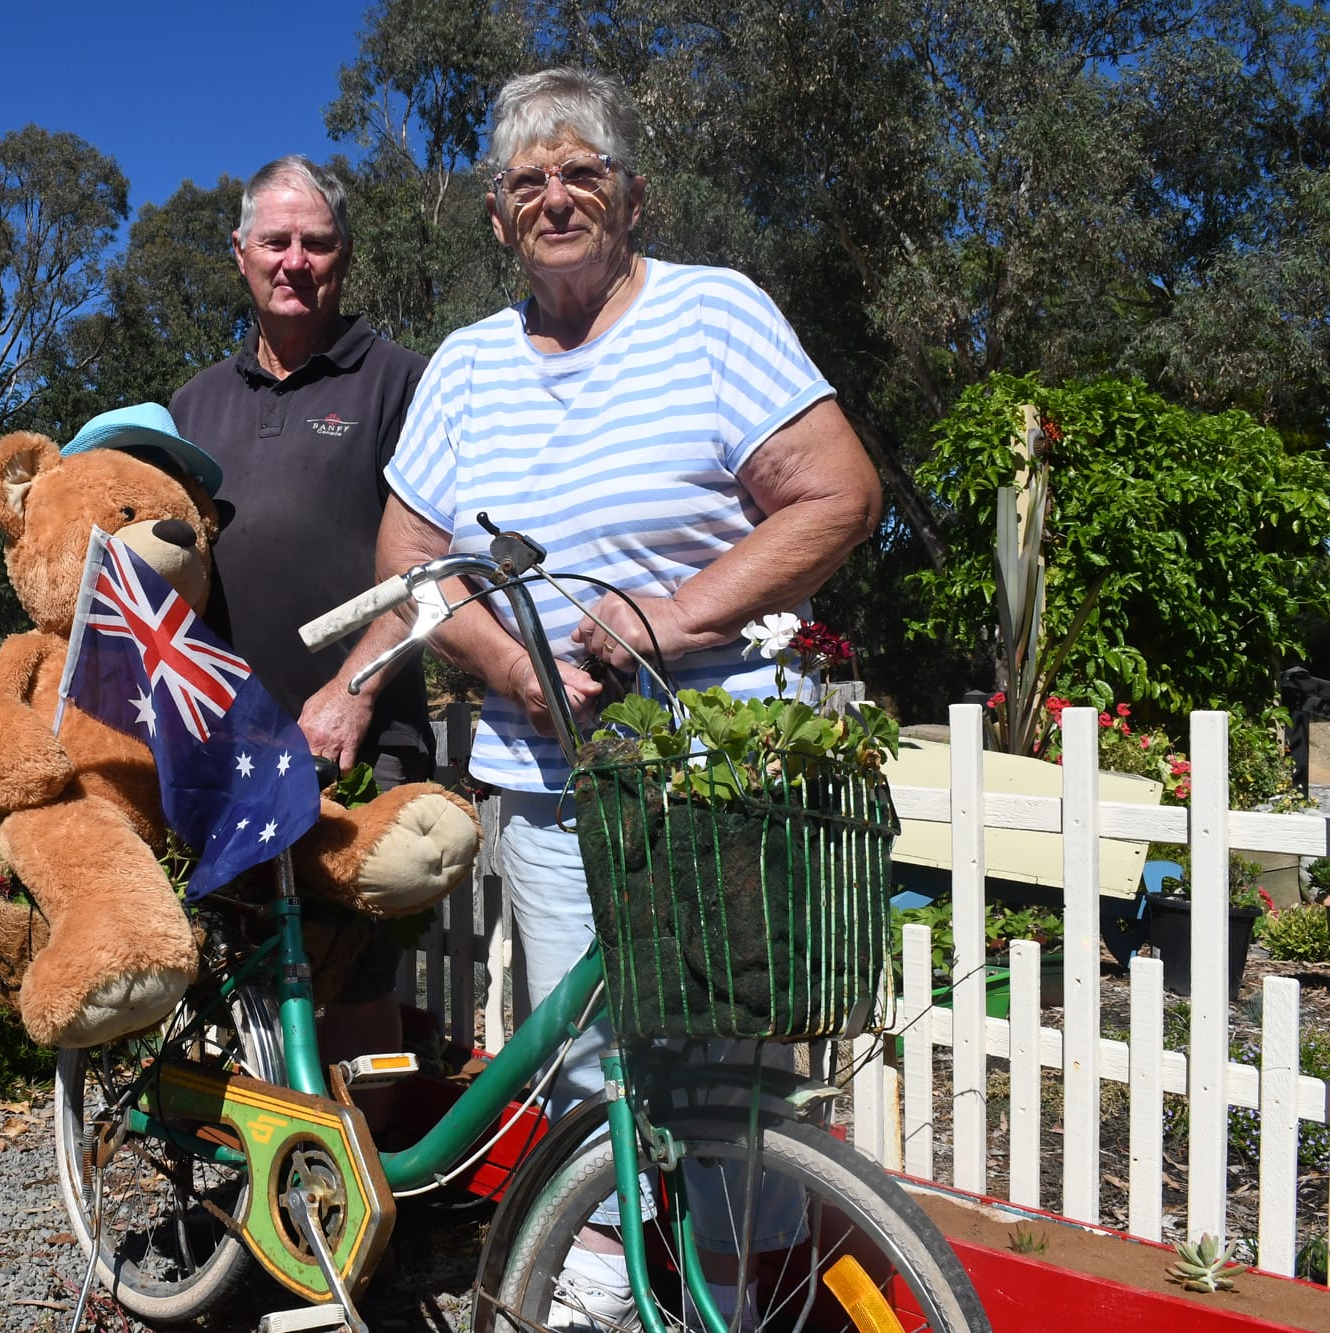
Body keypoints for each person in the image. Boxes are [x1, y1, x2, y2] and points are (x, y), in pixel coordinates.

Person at [378, 67, 884, 1327]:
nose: (555, 196)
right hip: (543, 777)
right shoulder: (465, 365)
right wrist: (508, 668)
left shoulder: (713, 317)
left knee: (724, 1056)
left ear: (630, 195)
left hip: (703, 767)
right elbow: (402, 563)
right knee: (584, 1054)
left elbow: (834, 491)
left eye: (580, 172)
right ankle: (597, 1282)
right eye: (527, 180)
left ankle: (742, 1289)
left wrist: (667, 616)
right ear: (497, 216)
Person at [169, 155, 432, 1084]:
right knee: (240, 996)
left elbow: (433, 564)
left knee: (358, 1001)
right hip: (230, 757)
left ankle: (368, 1219)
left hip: (363, 743)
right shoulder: (191, 408)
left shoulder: (401, 382)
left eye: (315, 242)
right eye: (274, 241)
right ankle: (253, 1208)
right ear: (239, 253)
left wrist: (354, 693)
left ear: (345, 256)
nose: (294, 260)